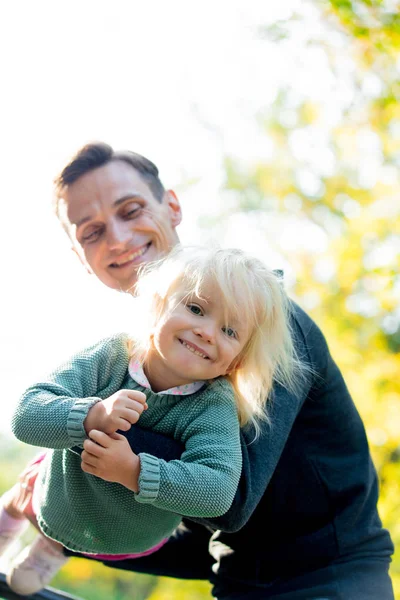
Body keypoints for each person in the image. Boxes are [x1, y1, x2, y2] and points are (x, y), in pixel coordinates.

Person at [0, 142, 394, 599]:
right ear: (81, 258)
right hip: (238, 578)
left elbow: (230, 501)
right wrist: (68, 516)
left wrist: (73, 456)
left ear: (172, 206)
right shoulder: (125, 359)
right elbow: (202, 531)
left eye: (131, 210)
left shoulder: (260, 323)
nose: (118, 238)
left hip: (330, 579)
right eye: (92, 232)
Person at [8, 244, 302, 595]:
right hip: (56, 495)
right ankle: (10, 518)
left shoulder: (212, 406)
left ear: (236, 361)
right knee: (29, 481)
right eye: (195, 309)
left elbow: (219, 490)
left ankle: (52, 549)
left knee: (47, 556)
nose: (208, 332)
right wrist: (92, 415)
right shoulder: (113, 355)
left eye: (230, 331)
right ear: (159, 306)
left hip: (127, 534)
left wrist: (133, 471)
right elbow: (26, 412)